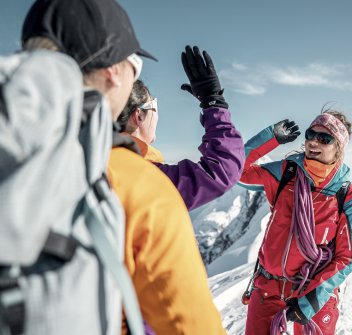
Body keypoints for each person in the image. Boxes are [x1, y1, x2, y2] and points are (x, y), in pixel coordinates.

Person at [22, 0, 226, 334]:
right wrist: (214, 103)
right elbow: (190, 325)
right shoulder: (138, 183)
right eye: (135, 66)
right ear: (113, 73)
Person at [239, 110, 352, 335]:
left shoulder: (347, 197)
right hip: (268, 287)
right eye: (310, 134)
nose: (314, 141)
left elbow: (347, 258)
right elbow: (237, 171)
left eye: (324, 138)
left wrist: (310, 302)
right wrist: (270, 137)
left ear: (338, 147)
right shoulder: (286, 173)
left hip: (314, 292)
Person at [117, 46, 245, 210]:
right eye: (154, 105)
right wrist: (213, 102)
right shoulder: (141, 176)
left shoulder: (100, 162)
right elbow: (222, 169)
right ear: (139, 116)